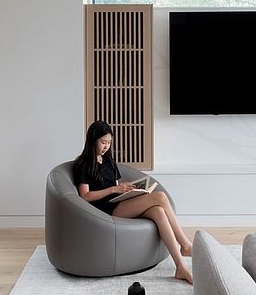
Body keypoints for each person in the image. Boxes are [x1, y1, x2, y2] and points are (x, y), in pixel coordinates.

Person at [73, 120, 194, 284]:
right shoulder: (83, 163)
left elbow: (115, 187)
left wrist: (127, 191)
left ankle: (180, 266)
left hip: (118, 203)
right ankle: (186, 245)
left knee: (158, 211)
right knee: (160, 197)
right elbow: (85, 196)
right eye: (103, 142)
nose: (106, 146)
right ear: (92, 140)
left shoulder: (108, 161)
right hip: (105, 211)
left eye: (109, 142)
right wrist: (114, 190)